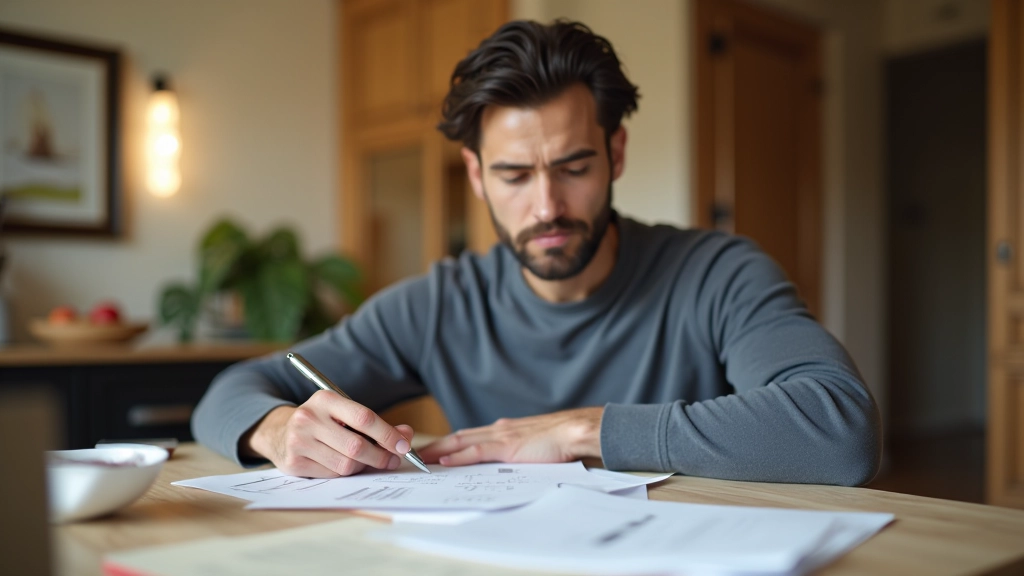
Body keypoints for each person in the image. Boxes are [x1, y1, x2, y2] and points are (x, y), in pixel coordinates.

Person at [192, 19, 880, 486]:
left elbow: (840, 427)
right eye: (515, 176)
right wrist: (277, 432)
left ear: (615, 153)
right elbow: (232, 391)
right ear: (475, 175)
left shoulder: (718, 276)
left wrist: (583, 431)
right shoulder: (440, 305)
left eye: (573, 167)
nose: (547, 206)